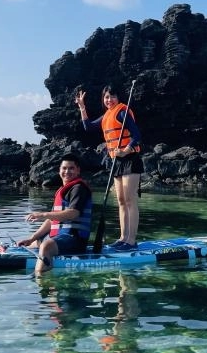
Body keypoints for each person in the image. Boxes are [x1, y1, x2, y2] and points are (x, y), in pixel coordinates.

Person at [75, 83, 143, 251]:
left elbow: (136, 135)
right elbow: (88, 126)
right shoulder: (107, 115)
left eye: (113, 96)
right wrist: (82, 108)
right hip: (117, 161)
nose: (109, 100)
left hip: (130, 159)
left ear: (118, 98)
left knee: (130, 200)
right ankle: (123, 238)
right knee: (121, 201)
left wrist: (126, 150)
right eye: (106, 97)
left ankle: (131, 241)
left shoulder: (122, 112)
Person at [18, 152, 92, 276]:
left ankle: (41, 281)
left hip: (75, 239)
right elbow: (52, 220)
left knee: (46, 246)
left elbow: (73, 213)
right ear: (59, 170)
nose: (67, 171)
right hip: (59, 238)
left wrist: (42, 215)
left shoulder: (79, 189)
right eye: (64, 168)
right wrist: (32, 238)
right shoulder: (61, 190)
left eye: (71, 168)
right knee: (31, 244)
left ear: (78, 170)